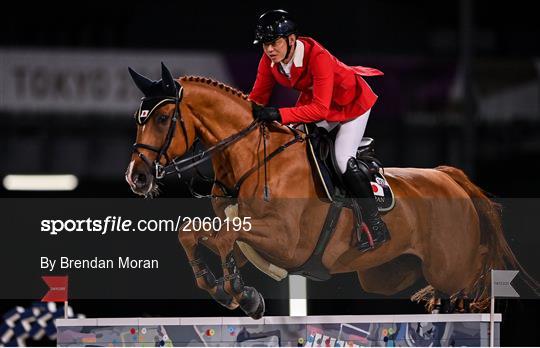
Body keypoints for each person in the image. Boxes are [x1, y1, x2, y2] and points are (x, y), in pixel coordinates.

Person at [249, 9, 389, 250]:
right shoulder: (269, 61)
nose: (269, 49)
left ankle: (376, 225)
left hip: (351, 104)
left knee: (342, 159)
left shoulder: (318, 56)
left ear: (291, 40)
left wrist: (279, 114)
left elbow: (320, 111)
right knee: (291, 142)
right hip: (317, 103)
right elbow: (257, 98)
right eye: (264, 44)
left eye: (273, 43)